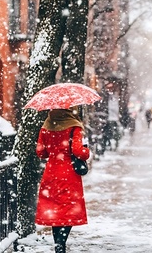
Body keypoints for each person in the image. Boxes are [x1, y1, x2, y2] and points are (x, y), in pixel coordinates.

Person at [35, 107, 90, 253]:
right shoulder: (74, 127)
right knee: (68, 210)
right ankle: (61, 243)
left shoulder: (46, 126)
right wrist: (86, 150)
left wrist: (53, 150)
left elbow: (41, 152)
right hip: (68, 173)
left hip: (51, 172)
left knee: (56, 211)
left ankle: (58, 244)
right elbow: (78, 151)